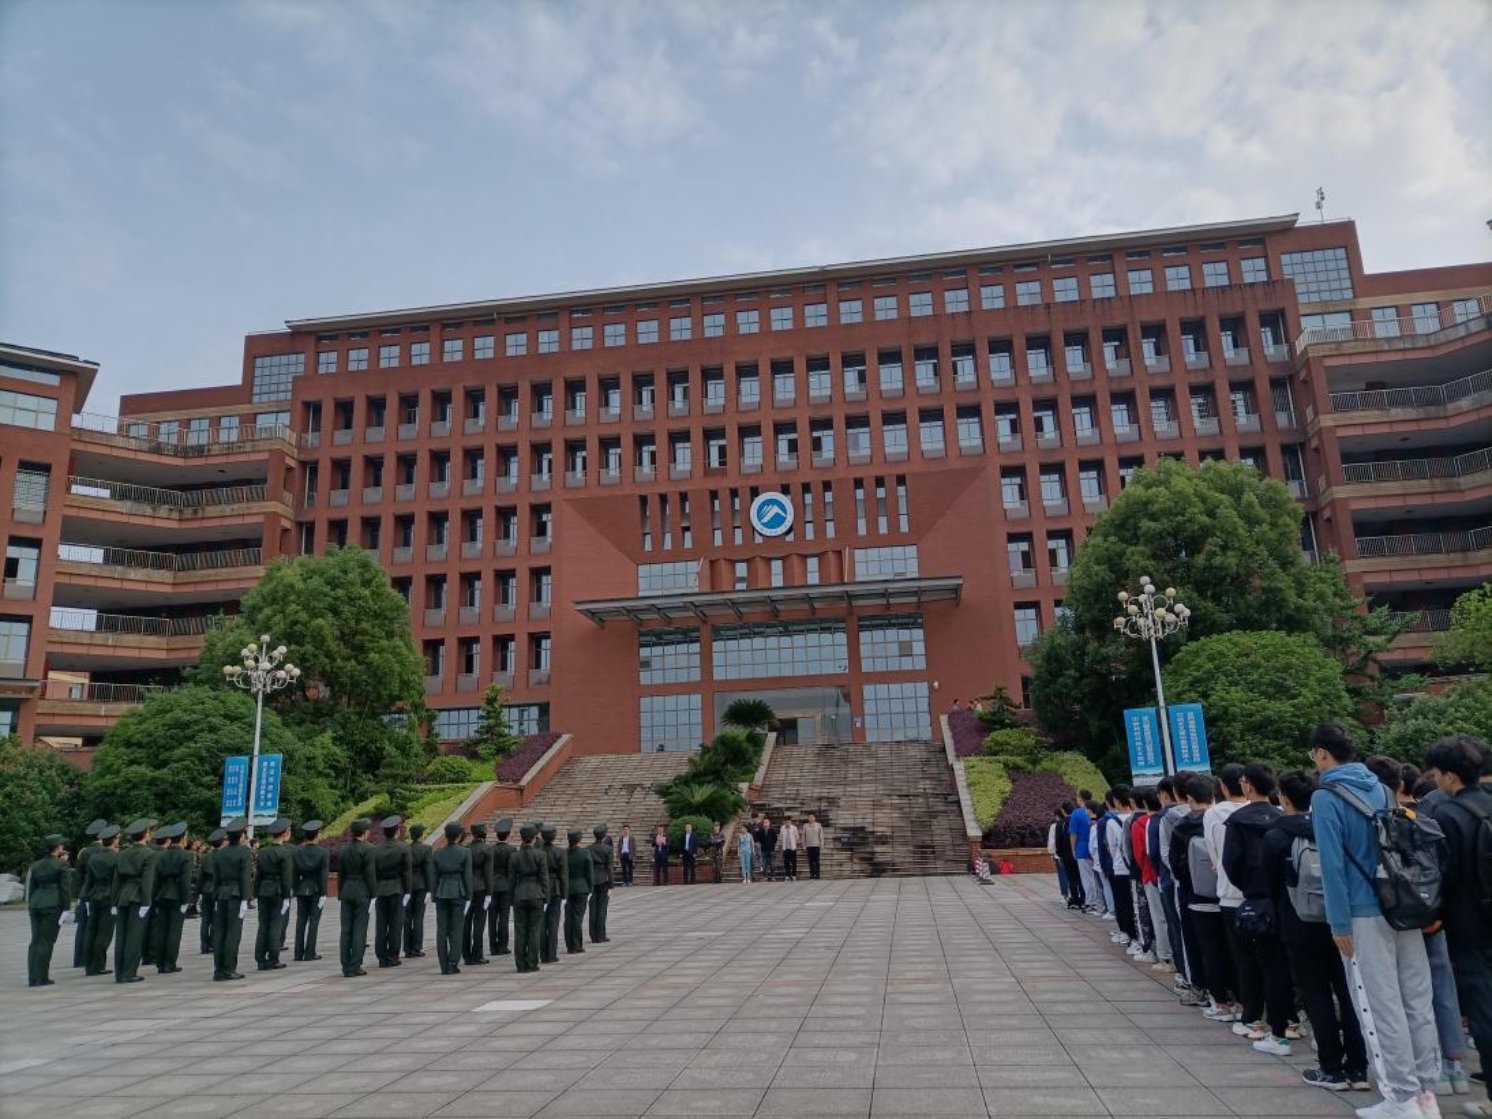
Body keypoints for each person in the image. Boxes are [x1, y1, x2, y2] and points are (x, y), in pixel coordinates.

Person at [1310, 721, 1441, 1119]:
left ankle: (1401, 1098)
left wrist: (1338, 924)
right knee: (1416, 999)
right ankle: (1426, 1093)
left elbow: (1331, 866)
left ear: (1322, 753)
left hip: (1361, 912)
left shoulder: (1326, 797)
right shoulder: (1382, 788)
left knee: (1379, 1005)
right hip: (1401, 905)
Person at [1264, 768, 1370, 1092]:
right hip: (1340, 922)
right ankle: (1358, 1068)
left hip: (1298, 923)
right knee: (1348, 993)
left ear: (1284, 798)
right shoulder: (1329, 826)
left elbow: (1269, 885)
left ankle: (1331, 1068)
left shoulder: (1276, 836)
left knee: (1316, 995)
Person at [1424, 736, 1492, 1117]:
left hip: (1469, 925)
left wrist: (1434, 917)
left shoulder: (1448, 815)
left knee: (1484, 1010)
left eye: (1436, 773)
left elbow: (1442, 875)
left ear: (1450, 776)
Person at [1220, 763, 1293, 1053]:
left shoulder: (1237, 821)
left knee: (1252, 961)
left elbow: (1231, 863)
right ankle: (1287, 1021)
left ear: (1248, 784)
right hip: (1284, 899)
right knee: (1282, 963)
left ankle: (1258, 1019)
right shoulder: (1281, 817)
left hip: (1254, 899)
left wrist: (1249, 887)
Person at [111, 818, 158, 983]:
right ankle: (129, 972)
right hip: (137, 896)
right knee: (134, 936)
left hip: (122, 895)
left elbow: (116, 880)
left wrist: (113, 901)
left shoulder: (122, 853)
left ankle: (119, 972)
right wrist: (146, 902)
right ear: (146, 834)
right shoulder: (149, 854)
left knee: (121, 936)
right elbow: (147, 881)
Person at [26, 833, 70, 987]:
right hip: (52, 903)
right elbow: (65, 888)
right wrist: (66, 908)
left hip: (36, 903)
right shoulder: (61, 864)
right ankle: (41, 977)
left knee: (35, 941)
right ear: (57, 847)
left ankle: (32, 977)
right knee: (46, 942)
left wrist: (31, 904)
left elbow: (32, 888)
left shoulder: (36, 865)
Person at [211, 819, 253, 981]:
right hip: (236, 894)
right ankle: (229, 968)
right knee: (233, 933)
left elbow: (216, 878)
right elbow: (245, 877)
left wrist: (215, 895)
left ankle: (218, 969)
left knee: (220, 932)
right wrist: (245, 898)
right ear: (241, 836)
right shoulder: (244, 852)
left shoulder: (220, 853)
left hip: (221, 893)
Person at [429, 822, 472, 975]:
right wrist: (469, 896)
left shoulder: (437, 853)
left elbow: (433, 877)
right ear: (459, 836)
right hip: (458, 891)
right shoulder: (465, 852)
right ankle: (453, 963)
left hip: (441, 891)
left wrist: (433, 894)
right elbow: (467, 876)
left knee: (442, 930)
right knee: (456, 929)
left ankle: (443, 964)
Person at [251, 818, 293, 972]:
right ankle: (273, 958)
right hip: (277, 891)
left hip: (263, 890)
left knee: (263, 925)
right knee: (276, 925)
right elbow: (286, 877)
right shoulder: (285, 853)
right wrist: (287, 897)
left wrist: (256, 893)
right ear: (285, 833)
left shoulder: (262, 852)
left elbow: (258, 875)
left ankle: (260, 958)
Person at [337, 817, 377, 978]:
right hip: (362, 890)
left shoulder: (344, 850)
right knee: (360, 928)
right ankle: (355, 965)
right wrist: (373, 894)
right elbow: (370, 874)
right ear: (365, 832)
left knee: (346, 929)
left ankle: (345, 965)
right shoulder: (369, 849)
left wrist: (340, 893)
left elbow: (341, 874)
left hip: (347, 890)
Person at [150, 822, 190, 974]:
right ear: (183, 838)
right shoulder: (186, 855)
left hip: (161, 894)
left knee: (161, 929)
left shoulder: (161, 855)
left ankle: (160, 962)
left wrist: (154, 897)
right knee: (174, 930)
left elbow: (155, 879)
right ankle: (169, 962)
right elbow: (185, 880)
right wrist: (185, 900)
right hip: (176, 894)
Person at [372, 815, 411, 968]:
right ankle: (393, 956)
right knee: (395, 923)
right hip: (396, 888)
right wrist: (407, 891)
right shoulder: (403, 848)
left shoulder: (376, 849)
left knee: (381, 924)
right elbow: (406, 872)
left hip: (380, 889)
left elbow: (373, 871)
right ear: (397, 831)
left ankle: (381, 956)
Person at [509, 823, 547, 973]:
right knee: (534, 930)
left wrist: (511, 898)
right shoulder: (540, 855)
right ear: (534, 838)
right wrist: (546, 897)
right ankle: (532, 962)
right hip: (536, 893)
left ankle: (520, 963)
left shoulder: (514, 856)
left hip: (520, 894)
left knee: (520, 931)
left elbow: (512, 880)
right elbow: (544, 879)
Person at [72, 819, 107, 969]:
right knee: (97, 928)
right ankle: (94, 959)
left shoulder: (84, 852)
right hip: (100, 891)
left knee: (83, 927)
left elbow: (78, 876)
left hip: (85, 893)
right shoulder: (104, 851)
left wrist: (79, 895)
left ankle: (79, 959)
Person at [293, 820, 329, 962]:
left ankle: (298, 953)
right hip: (316, 888)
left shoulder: (297, 851)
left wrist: (296, 887)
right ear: (317, 834)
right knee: (314, 921)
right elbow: (323, 874)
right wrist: (324, 893)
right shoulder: (323, 852)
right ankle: (310, 952)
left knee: (300, 921)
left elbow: (294, 873)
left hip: (302, 888)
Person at [463, 822, 492, 966]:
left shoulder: (466, 849)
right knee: (479, 923)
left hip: (467, 888)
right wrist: (489, 893)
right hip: (481, 888)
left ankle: (466, 954)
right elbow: (488, 873)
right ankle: (477, 954)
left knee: (466, 923)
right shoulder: (487, 849)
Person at [488, 819, 514, 956]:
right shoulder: (511, 850)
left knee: (492, 918)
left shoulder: (490, 849)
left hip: (492, 886)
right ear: (508, 834)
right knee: (504, 916)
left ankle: (493, 947)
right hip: (505, 886)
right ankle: (503, 945)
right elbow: (512, 871)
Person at [405, 822, 431, 959]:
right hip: (421, 885)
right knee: (418, 917)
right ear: (421, 835)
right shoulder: (426, 849)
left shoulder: (406, 849)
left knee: (407, 917)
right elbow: (428, 869)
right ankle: (416, 947)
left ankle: (407, 948)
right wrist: (430, 888)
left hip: (408, 886)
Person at [540, 823, 566, 963]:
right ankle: (551, 953)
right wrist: (564, 894)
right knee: (553, 923)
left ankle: (543, 953)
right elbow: (563, 875)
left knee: (542, 923)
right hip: (555, 888)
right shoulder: (559, 852)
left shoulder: (538, 850)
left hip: (541, 888)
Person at [197, 828, 224, 955]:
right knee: (216, 918)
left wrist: (198, 893)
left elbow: (200, 876)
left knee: (205, 919)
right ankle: (213, 943)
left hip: (206, 888)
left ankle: (204, 945)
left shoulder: (206, 857)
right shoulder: (223, 856)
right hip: (217, 888)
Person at [564, 830, 592, 954]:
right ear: (579, 840)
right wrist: (590, 888)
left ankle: (569, 945)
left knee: (568, 917)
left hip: (568, 888)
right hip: (581, 888)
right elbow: (589, 873)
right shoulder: (585, 853)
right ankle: (577, 945)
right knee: (577, 917)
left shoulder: (564, 854)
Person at [1068, 796, 1097, 912]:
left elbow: (1073, 833)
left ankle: (1091, 902)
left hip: (1082, 847)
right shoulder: (1096, 809)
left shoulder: (1076, 813)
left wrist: (1073, 849)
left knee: (1086, 878)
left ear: (1080, 798)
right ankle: (1100, 902)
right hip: (1096, 847)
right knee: (1097, 877)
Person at [588, 824, 612, 943]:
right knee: (602, 908)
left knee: (593, 908)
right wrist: (611, 882)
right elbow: (609, 867)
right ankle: (601, 935)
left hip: (592, 879)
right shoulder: (608, 849)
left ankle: (593, 935)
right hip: (603, 878)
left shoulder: (588, 849)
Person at [804, 812, 824, 880]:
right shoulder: (805, 826)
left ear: (814, 818)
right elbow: (803, 836)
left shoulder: (818, 825)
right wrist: (804, 845)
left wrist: (822, 844)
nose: (811, 818)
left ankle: (817, 875)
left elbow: (821, 835)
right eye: (810, 817)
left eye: (812, 817)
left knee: (817, 861)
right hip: (809, 845)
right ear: (808, 818)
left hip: (816, 845)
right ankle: (812, 874)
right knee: (810, 861)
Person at [760, 817, 779, 882]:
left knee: (772, 863)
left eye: (766, 822)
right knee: (764, 864)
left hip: (771, 849)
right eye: (764, 822)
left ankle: (773, 876)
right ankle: (765, 876)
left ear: (769, 823)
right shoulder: (761, 831)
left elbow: (775, 839)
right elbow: (760, 839)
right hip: (763, 849)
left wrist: (771, 844)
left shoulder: (772, 830)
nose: (765, 823)